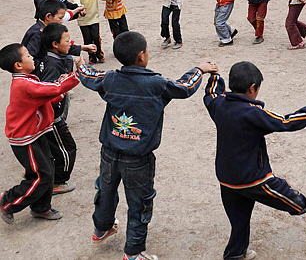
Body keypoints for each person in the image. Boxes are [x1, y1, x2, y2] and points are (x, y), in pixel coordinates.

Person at [77, 31, 218, 260]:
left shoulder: (111, 79)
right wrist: (200, 69)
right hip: (138, 158)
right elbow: (184, 87)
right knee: (139, 202)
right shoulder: (156, 83)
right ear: (142, 55)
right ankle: (133, 252)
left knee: (105, 191)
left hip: (109, 152)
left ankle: (101, 229)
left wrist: (80, 63)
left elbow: (88, 76)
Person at [203, 61, 306, 260]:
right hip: (252, 177)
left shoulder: (219, 105)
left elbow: (210, 94)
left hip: (226, 177)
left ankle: (235, 254)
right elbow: (285, 122)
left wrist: (214, 76)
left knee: (239, 220)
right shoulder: (252, 113)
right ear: (253, 88)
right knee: (282, 191)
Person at [0, 43, 79, 225]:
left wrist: (58, 91)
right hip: (25, 138)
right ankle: (8, 201)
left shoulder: (28, 78)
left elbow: (45, 95)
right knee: (41, 176)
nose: (32, 57)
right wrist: (77, 75)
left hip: (36, 132)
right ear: (18, 65)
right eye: (28, 56)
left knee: (46, 171)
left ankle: (40, 208)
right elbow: (55, 88)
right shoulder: (24, 83)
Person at [39, 23, 79, 194]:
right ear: (55, 44)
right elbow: (47, 93)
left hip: (53, 115)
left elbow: (65, 59)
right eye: (67, 41)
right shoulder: (51, 66)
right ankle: (58, 181)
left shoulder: (51, 59)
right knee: (67, 148)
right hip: (52, 118)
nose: (70, 43)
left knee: (53, 149)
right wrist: (61, 93)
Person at [22, 0, 90, 73]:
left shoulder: (47, 29)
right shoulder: (37, 33)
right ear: (48, 16)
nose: (61, 21)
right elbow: (29, 57)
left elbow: (60, 46)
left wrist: (82, 48)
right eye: (60, 18)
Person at [72, 0, 113, 64]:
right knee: (87, 39)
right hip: (83, 20)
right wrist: (80, 9)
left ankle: (99, 53)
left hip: (94, 18)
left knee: (96, 37)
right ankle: (91, 56)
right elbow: (76, 2)